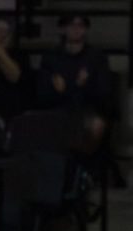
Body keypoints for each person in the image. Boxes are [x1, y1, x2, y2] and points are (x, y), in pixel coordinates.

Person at [36, 15, 115, 153]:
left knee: (96, 125)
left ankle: (84, 167)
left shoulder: (96, 57)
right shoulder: (52, 57)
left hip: (87, 109)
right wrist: (66, 89)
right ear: (63, 29)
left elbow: (104, 92)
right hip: (58, 108)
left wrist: (80, 86)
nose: (76, 29)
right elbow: (43, 93)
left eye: (80, 25)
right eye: (71, 25)